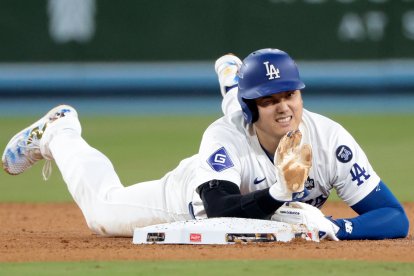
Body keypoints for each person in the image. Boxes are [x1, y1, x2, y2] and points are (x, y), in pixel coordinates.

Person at [2, 48, 409, 240]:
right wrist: (279, 192)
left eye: (291, 95)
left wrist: (339, 226)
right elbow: (217, 212)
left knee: (256, 121)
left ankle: (235, 82)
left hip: (248, 150)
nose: (284, 107)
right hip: (189, 198)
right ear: (254, 106)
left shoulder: (330, 139)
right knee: (102, 213)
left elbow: (395, 217)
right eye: (270, 99)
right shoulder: (223, 136)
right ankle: (60, 132)